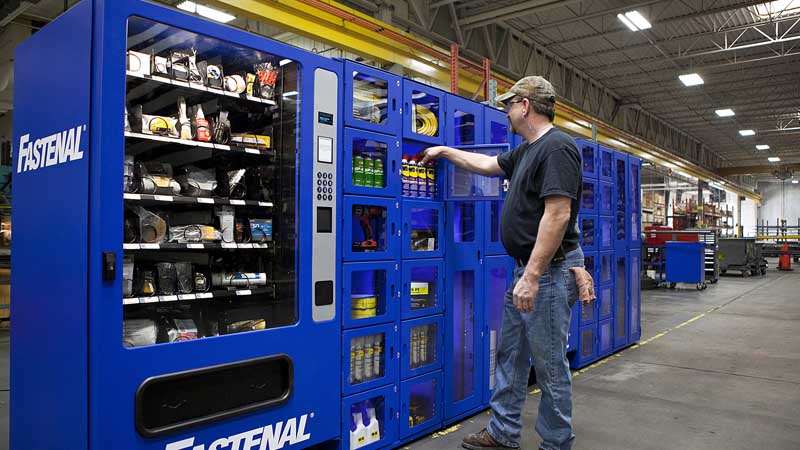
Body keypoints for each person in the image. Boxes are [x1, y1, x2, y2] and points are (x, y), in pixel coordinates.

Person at [420, 76, 595, 450]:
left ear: (525, 105)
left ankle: (556, 443)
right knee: (511, 355)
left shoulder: (558, 147)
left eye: (509, 105)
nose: (506, 112)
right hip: (527, 270)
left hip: (546, 273)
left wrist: (531, 276)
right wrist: (446, 151)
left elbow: (558, 214)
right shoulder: (527, 150)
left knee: (549, 366)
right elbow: (487, 165)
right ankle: (502, 433)